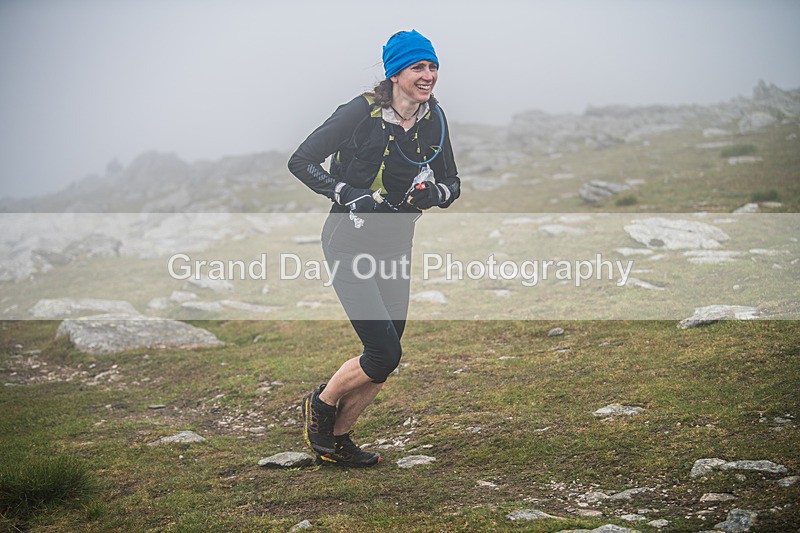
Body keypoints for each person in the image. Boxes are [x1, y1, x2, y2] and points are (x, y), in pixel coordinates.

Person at [288, 29, 460, 467]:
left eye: (433, 66)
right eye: (419, 67)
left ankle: (339, 441)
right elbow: (301, 161)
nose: (429, 76)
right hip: (348, 241)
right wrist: (346, 192)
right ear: (396, 73)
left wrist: (435, 193)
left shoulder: (434, 119)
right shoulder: (359, 113)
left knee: (385, 357)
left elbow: (452, 182)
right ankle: (321, 407)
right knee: (384, 351)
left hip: (396, 244)